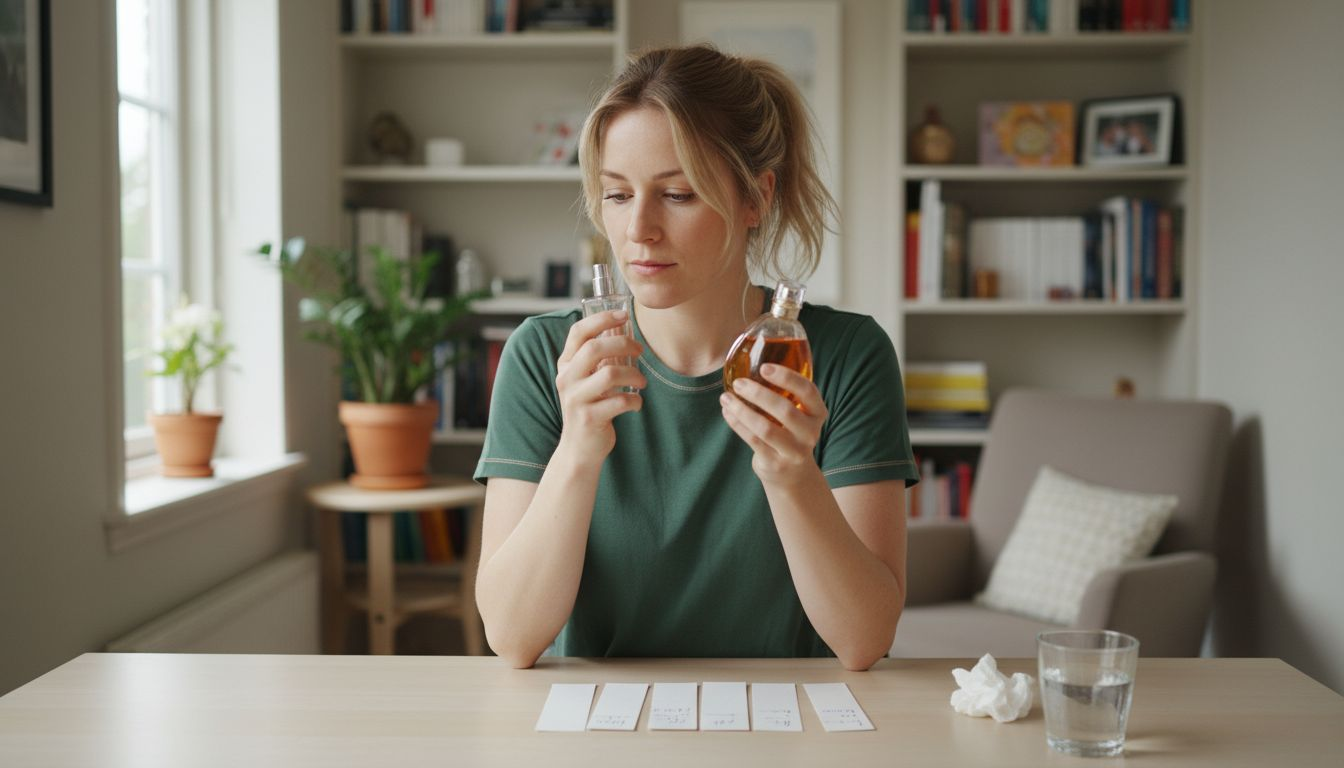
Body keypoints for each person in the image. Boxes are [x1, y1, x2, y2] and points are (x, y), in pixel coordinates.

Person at [473, 44, 919, 671]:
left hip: (795, 725)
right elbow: (513, 638)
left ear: (755, 198)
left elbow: (865, 639)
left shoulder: (847, 355)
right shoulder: (545, 355)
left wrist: (794, 476)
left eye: (678, 195)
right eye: (618, 195)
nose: (638, 231)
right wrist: (577, 449)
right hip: (603, 725)